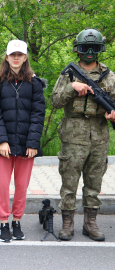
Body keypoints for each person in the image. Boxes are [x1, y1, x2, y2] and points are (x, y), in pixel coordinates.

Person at [51, 28, 115, 241]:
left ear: (99, 50)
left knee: (94, 183)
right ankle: (67, 223)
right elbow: (55, 101)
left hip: (99, 135)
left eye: (93, 48)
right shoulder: (68, 73)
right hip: (73, 136)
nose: (89, 52)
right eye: (85, 48)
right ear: (78, 50)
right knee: (69, 182)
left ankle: (91, 222)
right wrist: (72, 87)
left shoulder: (109, 76)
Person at [0, 40, 46, 242]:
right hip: (2, 144)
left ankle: (17, 221)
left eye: (19, 55)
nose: (15, 58)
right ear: (6, 57)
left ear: (25, 57)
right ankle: (4, 222)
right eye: (12, 54)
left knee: (21, 186)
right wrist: (2, 141)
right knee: (2, 186)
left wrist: (32, 143)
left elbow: (38, 115)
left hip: (26, 145)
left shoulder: (35, 84)